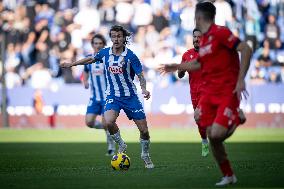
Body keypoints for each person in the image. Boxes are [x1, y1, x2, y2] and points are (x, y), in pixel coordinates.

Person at [159, 2, 252, 186]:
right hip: (210, 92)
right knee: (211, 135)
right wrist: (176, 66)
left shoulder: (221, 33)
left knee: (216, 135)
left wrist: (241, 79)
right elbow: (198, 64)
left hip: (227, 90)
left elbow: (246, 49)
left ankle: (236, 118)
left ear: (200, 18)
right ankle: (229, 175)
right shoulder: (206, 41)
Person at [61, 25, 154, 169]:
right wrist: (72, 64)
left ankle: (145, 154)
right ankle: (121, 143)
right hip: (113, 96)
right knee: (108, 122)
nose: (116, 39)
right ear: (111, 38)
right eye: (114, 36)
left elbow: (140, 76)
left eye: (119, 36)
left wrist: (144, 89)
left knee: (144, 131)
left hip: (131, 97)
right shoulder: (105, 53)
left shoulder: (131, 56)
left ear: (124, 38)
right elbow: (89, 60)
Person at [61, 34, 116, 156]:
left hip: (107, 98)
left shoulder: (108, 58)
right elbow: (86, 71)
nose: (97, 45)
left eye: (100, 43)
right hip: (94, 97)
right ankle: (109, 129)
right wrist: (85, 81)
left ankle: (111, 146)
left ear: (103, 45)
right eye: (95, 43)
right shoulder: (88, 58)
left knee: (106, 122)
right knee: (89, 122)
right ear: (92, 45)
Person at [177, 28, 209, 157]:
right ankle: (204, 140)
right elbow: (180, 75)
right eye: (194, 37)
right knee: (199, 121)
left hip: (207, 92)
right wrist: (182, 69)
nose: (196, 39)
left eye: (199, 37)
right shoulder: (186, 55)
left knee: (197, 115)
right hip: (194, 93)